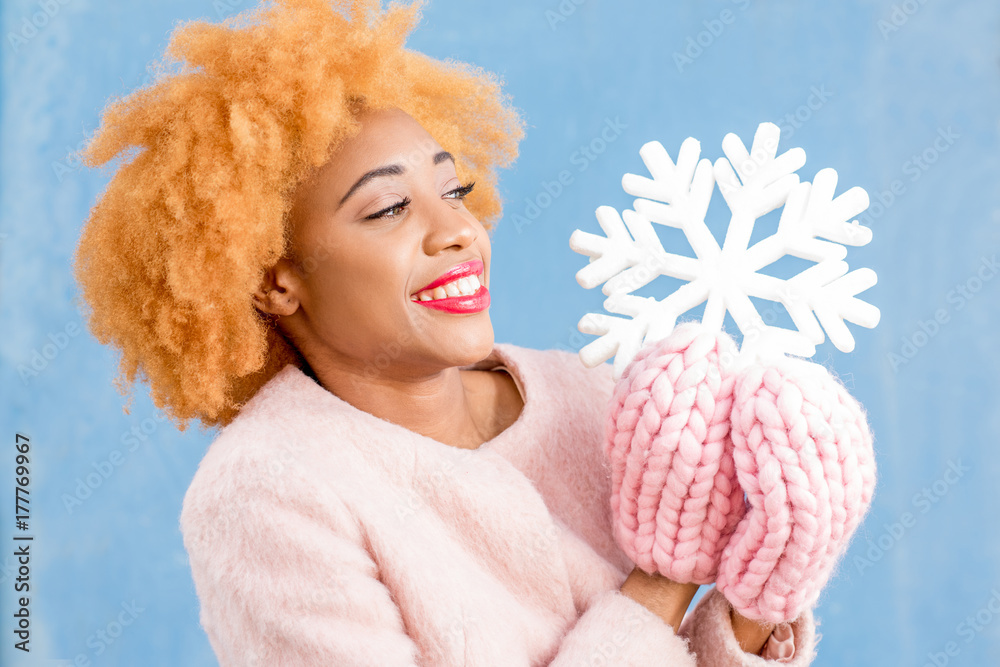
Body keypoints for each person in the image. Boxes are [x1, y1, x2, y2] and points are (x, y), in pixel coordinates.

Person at [73, 0, 812, 663]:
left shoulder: (591, 397)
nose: (456, 229)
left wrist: (755, 597)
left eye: (452, 189)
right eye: (389, 208)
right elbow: (659, 609)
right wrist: (665, 576)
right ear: (274, 277)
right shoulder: (267, 496)